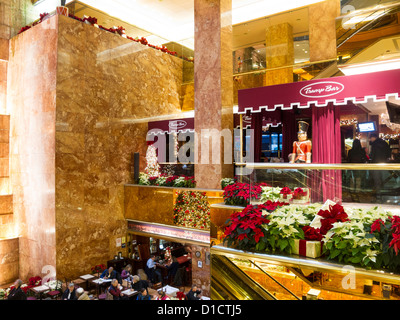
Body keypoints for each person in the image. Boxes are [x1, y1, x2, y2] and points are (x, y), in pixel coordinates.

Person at [369, 133, 391, 201]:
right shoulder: (384, 143)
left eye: (370, 138)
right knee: (385, 180)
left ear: (373, 137)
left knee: (377, 180)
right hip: (384, 165)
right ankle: (386, 195)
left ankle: (379, 195)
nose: (370, 139)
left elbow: (372, 155)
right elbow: (389, 153)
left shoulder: (374, 144)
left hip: (376, 165)